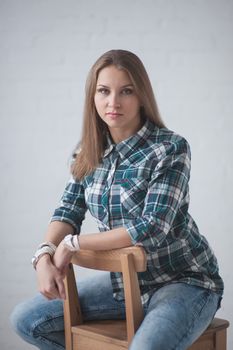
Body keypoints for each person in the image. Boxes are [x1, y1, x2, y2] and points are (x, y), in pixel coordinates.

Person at [11, 49, 224, 350]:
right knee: (27, 319)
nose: (113, 102)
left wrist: (73, 244)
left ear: (141, 96)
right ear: (93, 97)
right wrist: (44, 254)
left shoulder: (170, 148)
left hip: (183, 281)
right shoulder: (86, 151)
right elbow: (68, 210)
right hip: (125, 283)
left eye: (126, 91)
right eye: (104, 91)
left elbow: (151, 228)